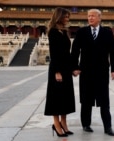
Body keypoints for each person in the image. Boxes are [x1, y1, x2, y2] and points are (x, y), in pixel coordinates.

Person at [71, 9, 114, 136]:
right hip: (86, 71)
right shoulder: (81, 32)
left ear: (99, 18)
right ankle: (86, 124)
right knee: (86, 100)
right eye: (88, 16)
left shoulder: (107, 33)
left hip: (102, 72)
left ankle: (108, 127)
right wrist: (74, 67)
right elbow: (75, 50)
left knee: (104, 101)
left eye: (93, 16)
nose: (90, 18)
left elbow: (113, 52)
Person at [44, 7, 75, 137]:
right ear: (59, 17)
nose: (67, 19)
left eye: (68, 17)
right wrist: (57, 71)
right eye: (65, 17)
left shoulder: (65, 31)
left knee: (66, 97)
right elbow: (54, 53)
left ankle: (64, 123)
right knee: (56, 97)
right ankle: (56, 124)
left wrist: (72, 68)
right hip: (57, 68)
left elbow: (67, 53)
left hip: (66, 68)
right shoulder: (53, 32)